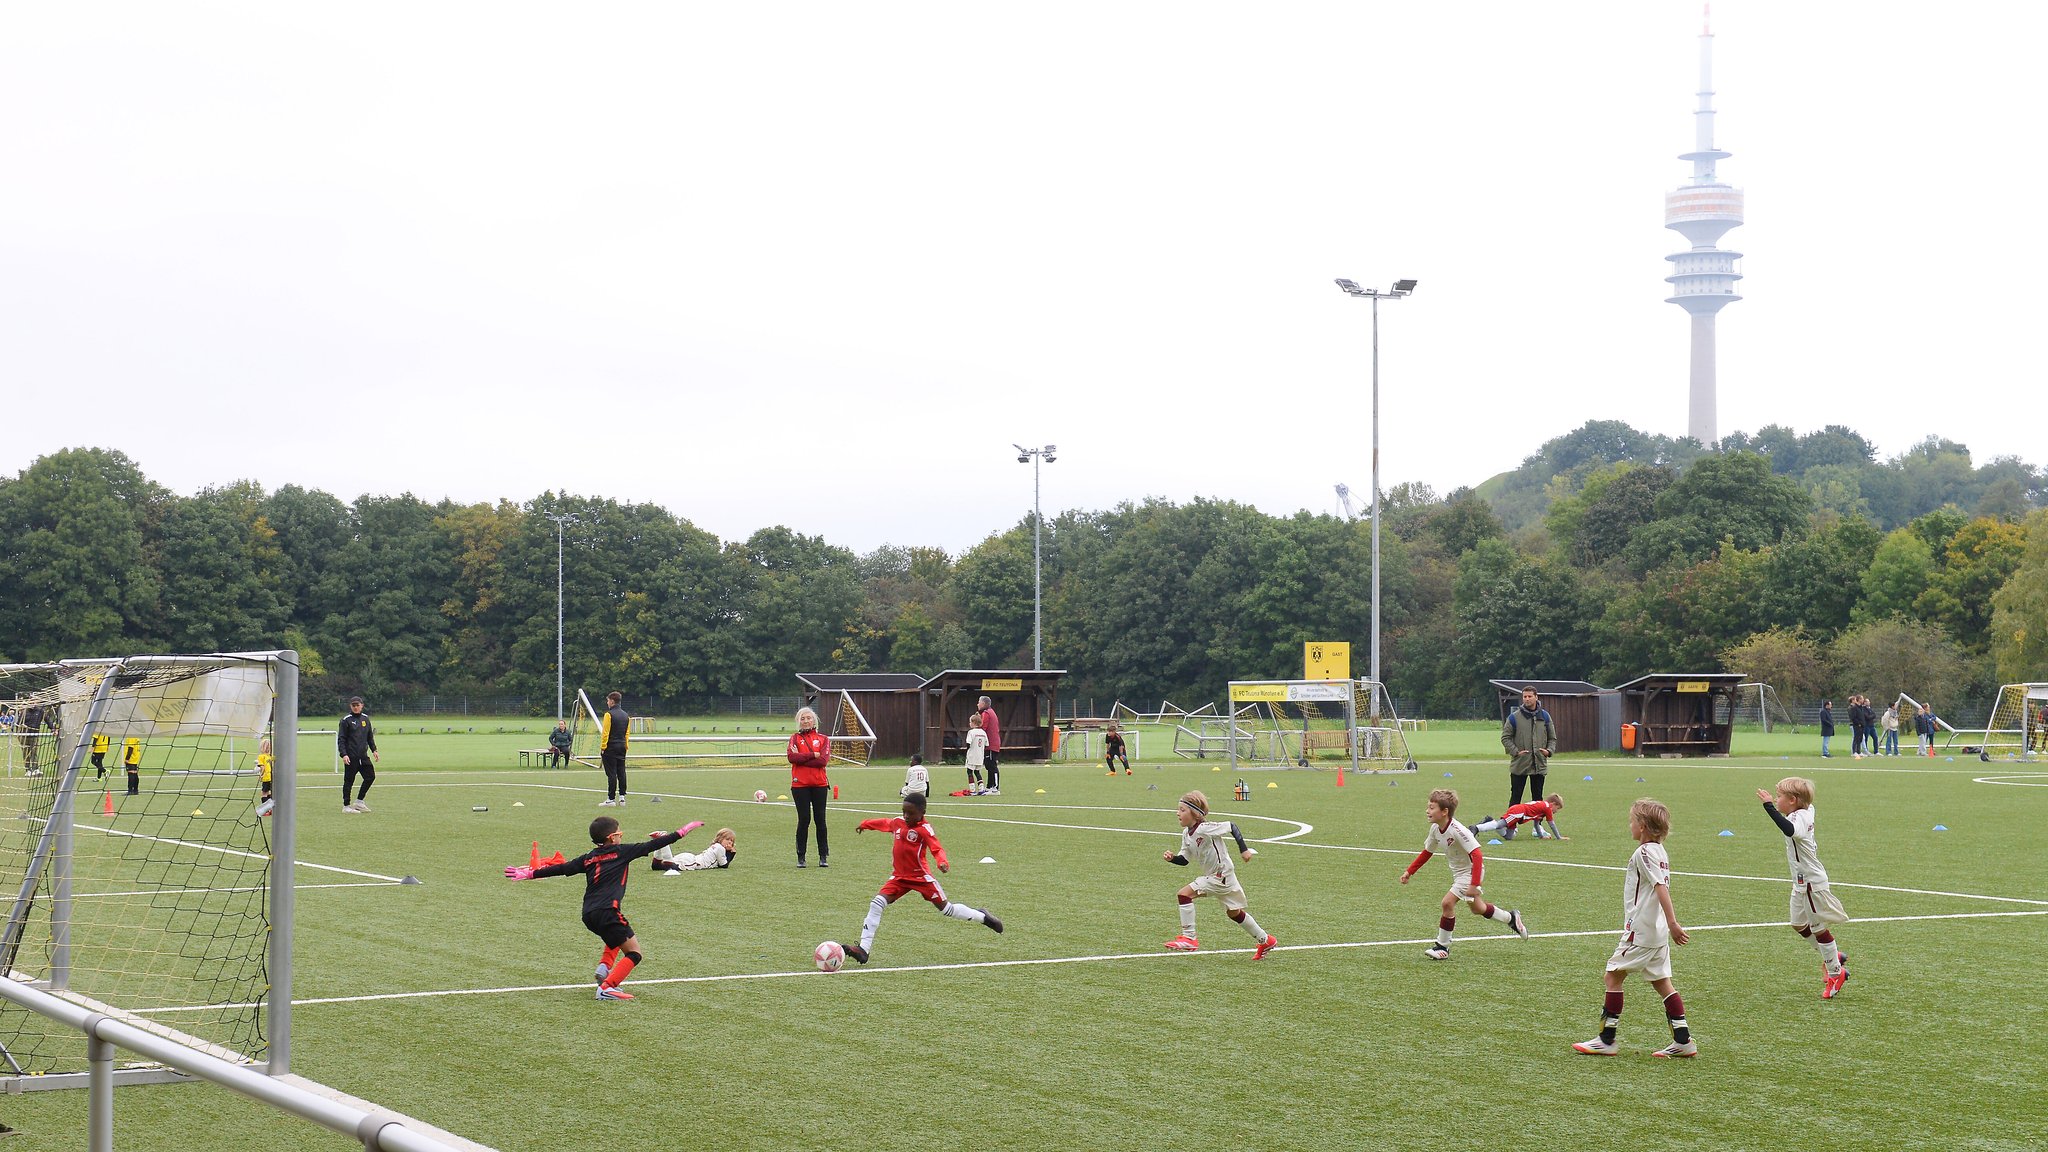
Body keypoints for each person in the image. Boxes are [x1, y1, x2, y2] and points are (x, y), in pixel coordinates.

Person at [506, 816, 705, 1000]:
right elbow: (655, 844)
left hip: (589, 914)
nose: (621, 836)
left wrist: (531, 874)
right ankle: (607, 987)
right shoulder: (622, 851)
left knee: (616, 938)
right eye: (619, 834)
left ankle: (604, 967)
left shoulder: (589, 857)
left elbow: (561, 869)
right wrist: (681, 832)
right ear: (612, 838)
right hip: (608, 911)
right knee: (634, 953)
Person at [1573, 798, 1694, 1058]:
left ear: (1643, 827)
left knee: (1613, 976)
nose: (1630, 826)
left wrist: (1674, 923)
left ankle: (1607, 1040)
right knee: (1662, 982)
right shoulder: (1659, 851)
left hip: (1642, 929)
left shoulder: (1645, 852)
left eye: (1632, 821)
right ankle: (1683, 1041)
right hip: (1655, 930)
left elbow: (1661, 888)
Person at [840, 792, 1002, 964]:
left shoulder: (924, 830)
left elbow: (936, 848)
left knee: (947, 909)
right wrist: (865, 824)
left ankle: (983, 917)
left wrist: (942, 862)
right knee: (876, 903)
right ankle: (864, 949)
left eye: (910, 813)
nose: (906, 816)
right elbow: (885, 823)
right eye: (904, 812)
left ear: (922, 812)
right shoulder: (898, 822)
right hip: (899, 877)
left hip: (921, 877)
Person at [1398, 788, 1529, 959]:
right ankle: (1511, 918)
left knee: (1447, 904)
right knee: (1478, 908)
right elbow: (1427, 852)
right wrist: (1410, 871)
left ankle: (1442, 946)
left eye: (1431, 808)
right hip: (1459, 874)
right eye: (1428, 807)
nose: (1427, 811)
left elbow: (1477, 854)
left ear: (1444, 812)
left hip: (1471, 872)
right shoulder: (1435, 829)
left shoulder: (1458, 830)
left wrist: (1474, 884)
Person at [1757, 779, 1850, 998]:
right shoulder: (1806, 810)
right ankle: (1833, 956)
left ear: (1793, 800)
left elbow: (1790, 830)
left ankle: (1836, 972)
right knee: (1798, 924)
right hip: (1800, 882)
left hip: (1810, 882)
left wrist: (1769, 806)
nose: (1776, 799)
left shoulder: (1798, 818)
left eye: (1780, 796)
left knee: (1818, 929)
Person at [1161, 790, 1278, 958]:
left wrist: (1243, 850)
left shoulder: (1204, 828)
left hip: (1220, 876)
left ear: (1195, 813)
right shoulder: (1187, 834)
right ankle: (1266, 940)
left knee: (1183, 894)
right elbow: (1185, 860)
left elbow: (1232, 826)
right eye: (1178, 809)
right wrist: (1172, 858)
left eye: (1182, 809)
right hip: (1222, 877)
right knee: (1234, 913)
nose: (1177, 813)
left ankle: (1189, 938)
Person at [788, 706, 832, 868]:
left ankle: (823, 856)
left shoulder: (823, 739)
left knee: (820, 820)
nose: (806, 721)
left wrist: (802, 758)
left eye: (808, 718)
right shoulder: (794, 738)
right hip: (800, 785)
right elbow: (792, 757)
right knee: (804, 819)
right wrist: (813, 754)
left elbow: (823, 761)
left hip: (820, 784)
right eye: (802, 718)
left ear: (814, 720)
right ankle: (801, 856)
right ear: (798, 721)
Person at [1501, 687, 1556, 808]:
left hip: (1539, 763)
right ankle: (1511, 825)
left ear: (1536, 697)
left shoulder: (1545, 716)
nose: (1527, 699)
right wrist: (1516, 752)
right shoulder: (1514, 718)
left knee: (1538, 799)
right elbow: (1505, 738)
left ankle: (1537, 826)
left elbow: (1552, 738)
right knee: (1516, 797)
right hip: (1520, 763)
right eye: (1524, 697)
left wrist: (1548, 751)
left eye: (1530, 696)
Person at [337, 696, 379, 812]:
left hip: (363, 756)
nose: (355, 707)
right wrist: (344, 754)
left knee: (370, 777)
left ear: (362, 705)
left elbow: (369, 736)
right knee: (349, 781)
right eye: (353, 705)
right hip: (351, 756)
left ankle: (359, 801)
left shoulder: (365, 719)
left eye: (357, 705)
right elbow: (341, 739)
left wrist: (374, 750)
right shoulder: (346, 720)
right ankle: (346, 806)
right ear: (350, 706)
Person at [1469, 794, 1567, 841]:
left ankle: (1490, 820)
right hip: (1519, 812)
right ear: (1553, 804)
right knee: (1500, 824)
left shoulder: (1542, 810)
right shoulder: (1547, 807)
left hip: (1520, 814)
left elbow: (1536, 824)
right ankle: (1476, 828)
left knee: (1509, 837)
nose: (1556, 811)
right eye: (1557, 808)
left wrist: (1541, 836)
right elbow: (1552, 824)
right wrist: (1559, 837)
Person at [653, 827, 736, 872]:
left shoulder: (716, 846)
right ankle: (663, 838)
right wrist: (731, 852)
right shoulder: (720, 848)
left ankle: (659, 841)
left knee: (657, 866)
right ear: (720, 838)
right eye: (727, 839)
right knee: (669, 867)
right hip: (693, 863)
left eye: (731, 841)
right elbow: (724, 865)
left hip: (689, 858)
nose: (729, 843)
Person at [598, 692, 630, 806]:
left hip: (611, 746)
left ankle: (611, 799)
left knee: (611, 773)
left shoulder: (608, 715)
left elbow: (605, 732)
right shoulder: (626, 715)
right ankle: (622, 798)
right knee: (621, 772)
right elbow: (627, 733)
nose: (607, 702)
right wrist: (626, 746)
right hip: (622, 746)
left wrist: (603, 747)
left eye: (608, 700)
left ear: (612, 701)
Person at [977, 695, 1003, 795]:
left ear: (983, 703)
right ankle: (989, 787)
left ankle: (995, 788)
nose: (977, 704)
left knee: (992, 765)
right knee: (988, 765)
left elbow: (983, 728)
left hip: (991, 744)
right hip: (991, 743)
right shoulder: (989, 712)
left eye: (979, 702)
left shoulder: (986, 713)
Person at [964, 713, 988, 794]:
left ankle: (972, 790)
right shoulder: (983, 732)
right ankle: (981, 789)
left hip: (972, 756)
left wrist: (967, 750)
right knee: (977, 772)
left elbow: (968, 743)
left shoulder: (971, 732)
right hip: (980, 756)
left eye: (970, 722)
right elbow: (986, 744)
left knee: (969, 771)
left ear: (974, 723)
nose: (969, 724)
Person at [256, 737, 275, 817]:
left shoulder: (261, 757)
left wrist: (261, 775)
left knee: (264, 793)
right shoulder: (271, 757)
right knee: (272, 792)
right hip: (272, 777)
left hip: (266, 777)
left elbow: (262, 767)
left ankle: (266, 810)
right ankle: (272, 808)